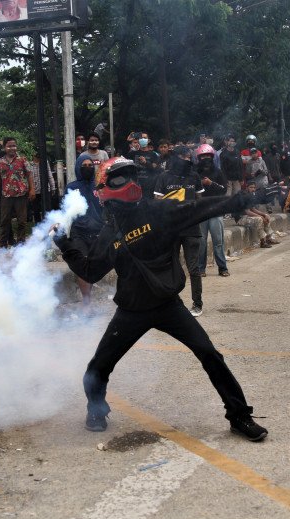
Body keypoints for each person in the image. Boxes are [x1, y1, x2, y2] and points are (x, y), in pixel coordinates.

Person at [53, 157, 268, 441]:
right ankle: (96, 409)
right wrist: (64, 243)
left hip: (168, 305)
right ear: (105, 189)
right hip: (131, 311)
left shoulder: (159, 210)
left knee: (210, 354)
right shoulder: (109, 234)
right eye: (121, 179)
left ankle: (240, 416)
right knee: (97, 368)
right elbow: (90, 271)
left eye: (133, 177)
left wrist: (239, 200)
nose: (130, 184)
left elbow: (201, 208)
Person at [155, 146, 206, 316]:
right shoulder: (164, 177)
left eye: (189, 157)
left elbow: (200, 200)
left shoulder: (194, 176)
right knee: (171, 267)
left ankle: (197, 304)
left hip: (191, 229)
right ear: (176, 157)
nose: (188, 159)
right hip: (171, 230)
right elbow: (158, 200)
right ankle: (172, 303)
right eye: (185, 156)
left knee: (193, 268)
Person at [65, 154, 104, 306]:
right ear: (78, 168)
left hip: (97, 230)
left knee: (92, 266)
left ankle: (89, 296)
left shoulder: (99, 185)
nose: (87, 168)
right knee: (82, 265)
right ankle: (86, 302)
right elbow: (66, 209)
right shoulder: (72, 187)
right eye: (84, 166)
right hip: (79, 231)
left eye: (90, 165)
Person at [0, 137, 35, 246]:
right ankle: (3, 244)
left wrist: (32, 189)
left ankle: (21, 244)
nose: (12, 148)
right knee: (4, 221)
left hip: (21, 195)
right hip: (6, 195)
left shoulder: (22, 160)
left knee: (22, 221)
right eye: (9, 146)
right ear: (4, 147)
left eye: (14, 145)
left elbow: (29, 174)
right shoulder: (0, 162)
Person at [194, 144, 230, 277]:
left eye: (208, 156)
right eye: (203, 156)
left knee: (218, 241)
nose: (206, 158)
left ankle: (222, 268)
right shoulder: (195, 174)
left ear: (212, 157)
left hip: (216, 210)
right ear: (199, 157)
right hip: (201, 212)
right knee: (201, 242)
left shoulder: (218, 172)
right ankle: (201, 269)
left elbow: (224, 189)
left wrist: (211, 184)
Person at [236, 181, 279, 249]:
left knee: (267, 216)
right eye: (251, 187)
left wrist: (264, 215)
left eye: (254, 187)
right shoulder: (243, 195)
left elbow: (253, 209)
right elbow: (247, 211)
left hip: (247, 216)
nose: (253, 189)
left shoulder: (251, 195)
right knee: (259, 219)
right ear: (247, 188)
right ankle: (263, 242)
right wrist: (261, 217)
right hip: (240, 219)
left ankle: (269, 238)